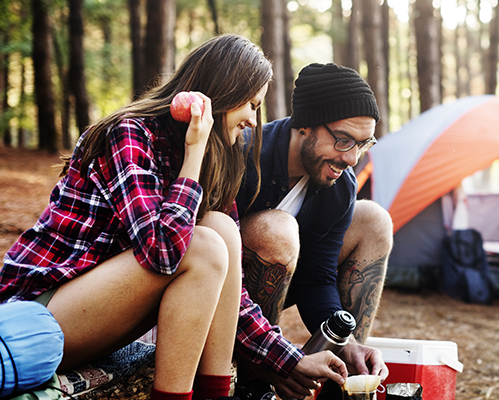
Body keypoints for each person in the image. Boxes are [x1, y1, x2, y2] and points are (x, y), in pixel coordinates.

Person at [0, 35, 352, 400]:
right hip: (41, 315)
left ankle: (217, 393)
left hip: (100, 316)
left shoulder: (215, 157)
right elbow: (164, 253)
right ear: (222, 95)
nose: (252, 119)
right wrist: (194, 154)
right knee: (203, 246)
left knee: (221, 231)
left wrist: (287, 359)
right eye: (250, 104)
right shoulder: (130, 134)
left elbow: (234, 288)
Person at [233, 63, 392, 400]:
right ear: (303, 125)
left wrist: (346, 342)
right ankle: (251, 382)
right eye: (343, 140)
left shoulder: (339, 187)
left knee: (374, 219)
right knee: (278, 228)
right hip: (219, 295)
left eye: (363, 144)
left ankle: (344, 379)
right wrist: (275, 359)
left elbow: (317, 279)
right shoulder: (243, 156)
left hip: (281, 284)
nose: (351, 159)